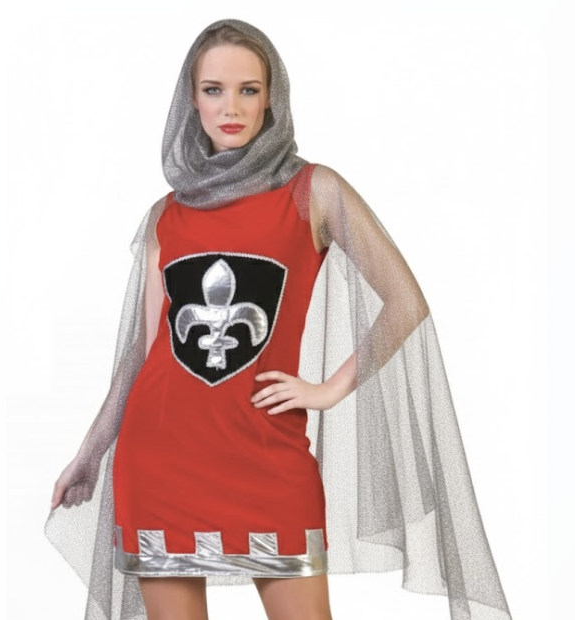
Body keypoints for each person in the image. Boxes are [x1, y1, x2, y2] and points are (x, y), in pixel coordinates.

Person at [45, 18, 513, 620]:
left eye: (249, 89)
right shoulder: (166, 214)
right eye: (213, 89)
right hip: (159, 459)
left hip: (268, 455)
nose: (231, 107)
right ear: (191, 100)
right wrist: (89, 453)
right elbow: (143, 351)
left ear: (272, 97)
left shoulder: (312, 190)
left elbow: (405, 301)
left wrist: (328, 389)